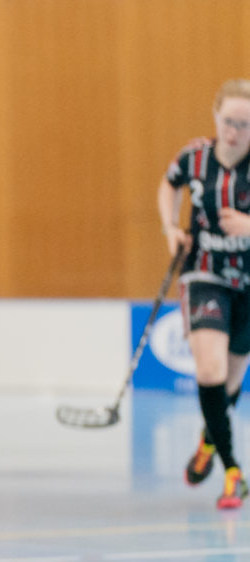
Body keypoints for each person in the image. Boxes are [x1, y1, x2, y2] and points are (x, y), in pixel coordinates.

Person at [159, 78, 250, 510]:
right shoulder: (194, 157)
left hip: (248, 285)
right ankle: (234, 470)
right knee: (210, 371)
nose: (234, 132)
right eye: (229, 122)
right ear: (216, 117)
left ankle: (208, 442)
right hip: (204, 276)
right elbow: (168, 184)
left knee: (230, 383)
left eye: (245, 125)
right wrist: (170, 227)